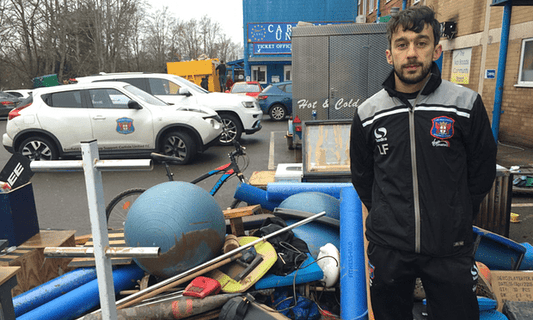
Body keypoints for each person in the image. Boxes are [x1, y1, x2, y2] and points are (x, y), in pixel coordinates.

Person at [349, 6, 497, 320]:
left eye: (421, 42)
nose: (412, 53)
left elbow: (482, 168)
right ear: (389, 55)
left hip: (449, 246)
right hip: (389, 247)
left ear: (437, 49)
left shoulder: (465, 104)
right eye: (402, 44)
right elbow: (363, 176)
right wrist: (387, 215)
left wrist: (455, 213)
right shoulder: (367, 113)